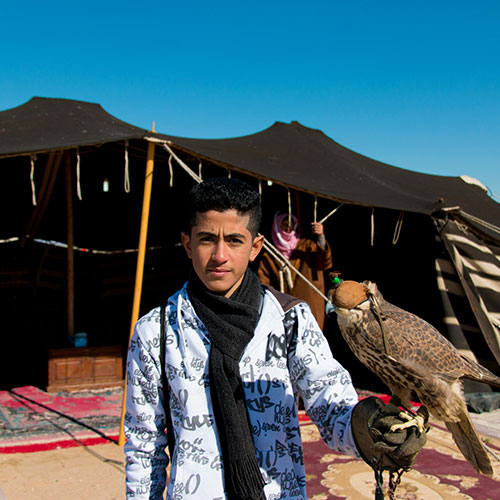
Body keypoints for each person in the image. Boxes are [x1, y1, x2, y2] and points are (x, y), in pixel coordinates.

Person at [124, 177, 427, 500]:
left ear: (255, 247)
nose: (220, 255)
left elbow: (328, 399)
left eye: (235, 241)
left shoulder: (289, 320)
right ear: (187, 244)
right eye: (207, 239)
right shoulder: (155, 331)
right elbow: (144, 446)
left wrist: (366, 427)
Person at [257, 212, 332, 329]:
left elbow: (324, 263)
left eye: (291, 224)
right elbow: (264, 281)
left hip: (310, 304)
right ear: (277, 225)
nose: (288, 227)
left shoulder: (306, 246)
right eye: (285, 224)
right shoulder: (270, 255)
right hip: (285, 308)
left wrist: (320, 237)